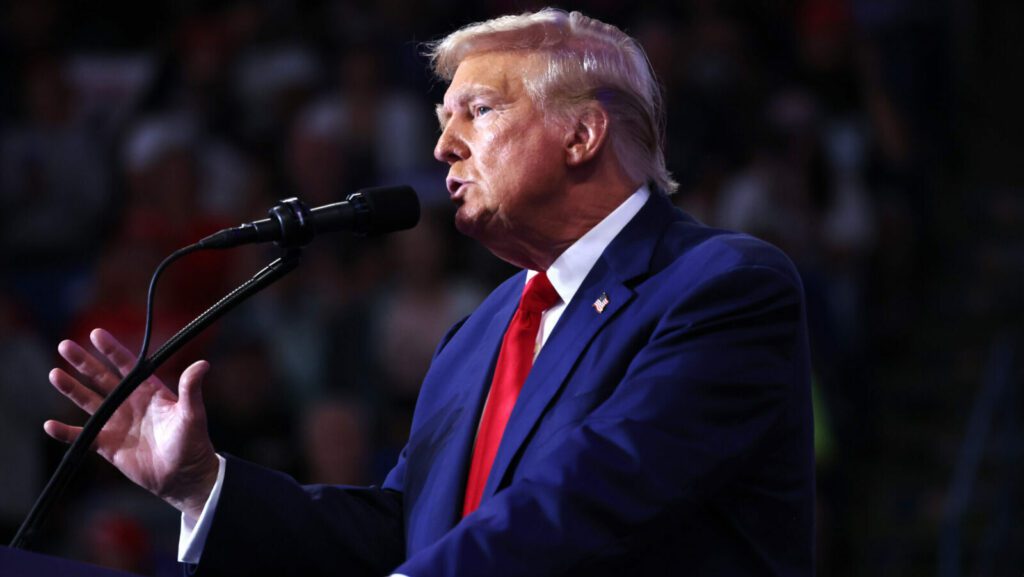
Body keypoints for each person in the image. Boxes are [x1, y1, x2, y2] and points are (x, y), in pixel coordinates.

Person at [44, 8, 815, 576]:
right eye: (444, 120)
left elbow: (597, 494)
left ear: (583, 136)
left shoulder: (721, 287)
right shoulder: (479, 333)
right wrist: (203, 483)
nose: (442, 146)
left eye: (478, 112)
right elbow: (407, 530)